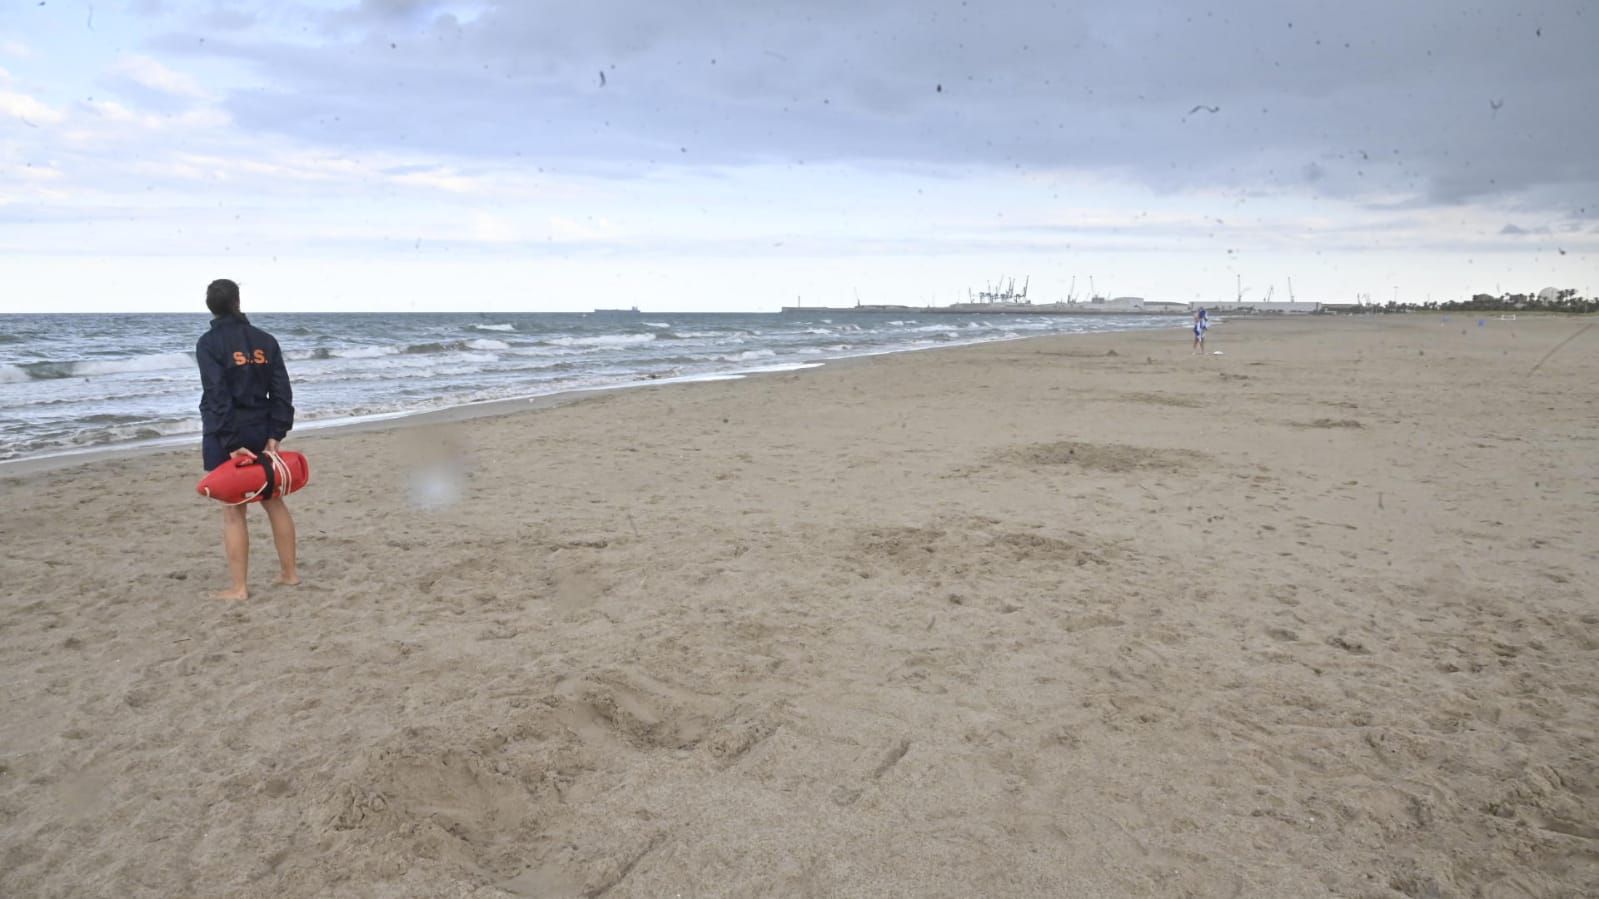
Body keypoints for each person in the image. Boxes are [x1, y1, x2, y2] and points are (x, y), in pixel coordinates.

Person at [197, 279, 299, 600]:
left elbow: (218, 394)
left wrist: (229, 442)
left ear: (210, 306)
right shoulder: (265, 341)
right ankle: (289, 575)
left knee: (233, 510)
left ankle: (239, 588)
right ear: (238, 302)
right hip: (261, 429)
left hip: (228, 433)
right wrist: (275, 433)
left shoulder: (209, 343)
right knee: (272, 500)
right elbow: (281, 390)